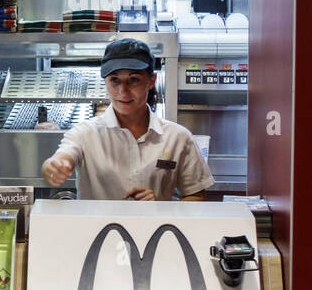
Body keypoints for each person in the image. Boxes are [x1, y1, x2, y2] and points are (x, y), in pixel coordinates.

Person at [41, 38, 214, 200]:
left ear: (151, 81)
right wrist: (53, 167)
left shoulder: (177, 137)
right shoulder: (84, 134)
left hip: (158, 231)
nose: (123, 91)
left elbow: (196, 196)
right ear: (106, 82)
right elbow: (63, 157)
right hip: (97, 232)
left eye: (133, 80)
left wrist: (161, 206)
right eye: (115, 80)